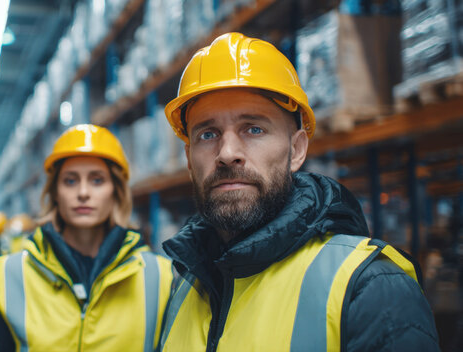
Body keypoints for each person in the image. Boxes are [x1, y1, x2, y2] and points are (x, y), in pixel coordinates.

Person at [157, 33, 439, 351]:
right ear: (189, 160)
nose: (227, 153)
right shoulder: (184, 288)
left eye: (253, 129)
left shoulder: (370, 289)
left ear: (297, 149)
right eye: (208, 134)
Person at [0, 124, 174, 351]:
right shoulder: (12, 274)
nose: (83, 192)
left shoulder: (159, 276)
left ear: (115, 191)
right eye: (70, 181)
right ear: (54, 192)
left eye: (97, 180)